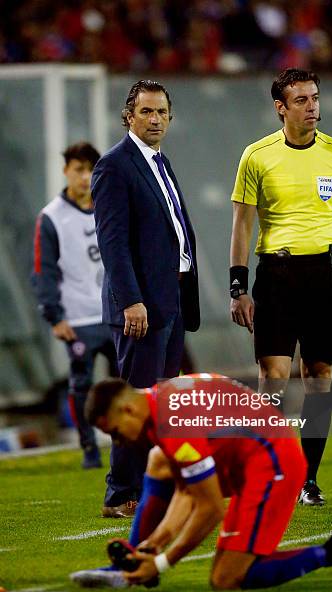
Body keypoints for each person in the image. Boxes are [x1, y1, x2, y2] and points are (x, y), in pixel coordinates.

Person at [229, 68, 332, 505]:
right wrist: (237, 286)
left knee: (319, 377)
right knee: (272, 376)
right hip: (276, 276)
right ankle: (266, 471)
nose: (312, 106)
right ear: (281, 107)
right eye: (300, 100)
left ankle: (307, 479)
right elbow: (241, 226)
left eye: (314, 97)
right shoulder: (257, 156)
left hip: (326, 277)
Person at [70, 374, 332, 590]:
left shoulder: (172, 423)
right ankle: (134, 559)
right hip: (247, 453)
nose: (117, 441)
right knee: (159, 462)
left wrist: (164, 562)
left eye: (113, 430)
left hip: (273, 464)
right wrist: (156, 542)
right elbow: (185, 488)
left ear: (126, 409)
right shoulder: (157, 401)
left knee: (226, 578)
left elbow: (207, 508)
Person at [91, 80, 200, 517]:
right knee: (135, 403)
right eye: (146, 112)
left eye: (161, 112)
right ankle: (120, 493)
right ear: (128, 116)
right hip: (142, 307)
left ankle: (152, 487)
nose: (155, 120)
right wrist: (130, 300)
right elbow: (112, 242)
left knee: (160, 404)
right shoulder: (114, 166)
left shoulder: (160, 162)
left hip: (169, 298)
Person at [32, 142, 139, 518]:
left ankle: (124, 443)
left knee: (125, 383)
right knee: (81, 384)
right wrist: (54, 316)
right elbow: (44, 271)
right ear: (66, 172)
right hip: (77, 319)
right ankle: (89, 448)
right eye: (77, 169)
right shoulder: (52, 217)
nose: (83, 177)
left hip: (114, 312)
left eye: (88, 170)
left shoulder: (109, 208)